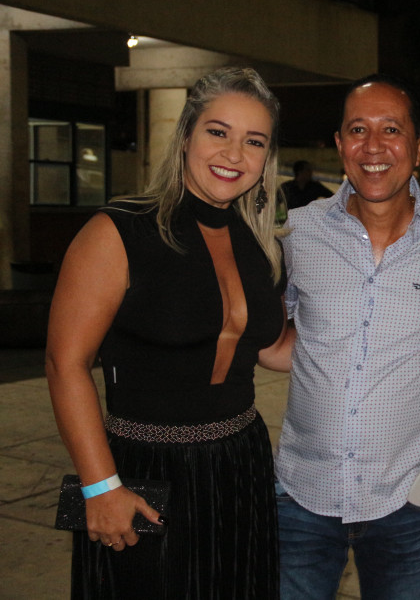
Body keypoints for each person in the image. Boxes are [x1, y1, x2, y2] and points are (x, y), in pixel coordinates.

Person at [46, 67, 294, 598]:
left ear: (266, 158)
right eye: (217, 132)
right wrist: (100, 485)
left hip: (241, 463)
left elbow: (272, 348)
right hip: (142, 466)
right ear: (185, 136)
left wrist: (381, 331)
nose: (233, 154)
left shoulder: (262, 248)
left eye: (254, 141)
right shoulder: (118, 231)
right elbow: (65, 364)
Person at [274, 74, 420, 599]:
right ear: (339, 143)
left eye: (391, 129)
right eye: (358, 130)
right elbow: (268, 332)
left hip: (406, 500)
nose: (373, 146)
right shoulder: (298, 233)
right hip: (301, 495)